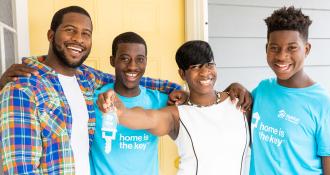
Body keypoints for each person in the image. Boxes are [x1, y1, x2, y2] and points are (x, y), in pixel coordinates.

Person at [0, 6, 181, 174]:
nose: (78, 38)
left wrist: (177, 90)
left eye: (86, 33)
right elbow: (20, 168)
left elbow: (127, 78)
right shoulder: (22, 88)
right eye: (70, 30)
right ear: (51, 35)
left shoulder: (86, 79)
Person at [99, 40, 250, 175]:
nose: (205, 72)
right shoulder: (177, 114)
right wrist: (120, 111)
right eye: (195, 67)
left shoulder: (238, 102)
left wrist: (234, 86)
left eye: (209, 64)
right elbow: (147, 118)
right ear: (182, 74)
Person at [249, 6, 330, 175]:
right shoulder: (262, 90)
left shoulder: (326, 107)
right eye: (274, 47)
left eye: (292, 48)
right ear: (266, 48)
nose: (282, 56)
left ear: (307, 49)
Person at [89, 32, 169, 175]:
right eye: (125, 59)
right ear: (112, 60)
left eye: (140, 59)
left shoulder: (160, 101)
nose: (132, 66)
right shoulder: (93, 99)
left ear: (146, 62)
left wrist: (183, 93)